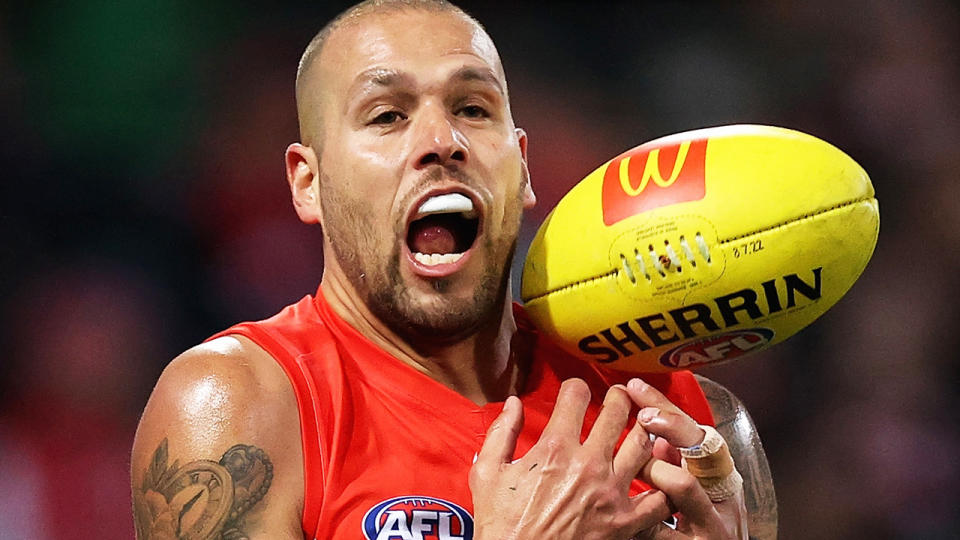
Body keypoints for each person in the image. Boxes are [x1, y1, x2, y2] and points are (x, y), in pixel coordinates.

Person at [131, 1, 777, 538]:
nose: (443, 140)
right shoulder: (239, 410)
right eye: (387, 115)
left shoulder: (679, 413)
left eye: (472, 108)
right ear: (309, 183)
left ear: (522, 167)